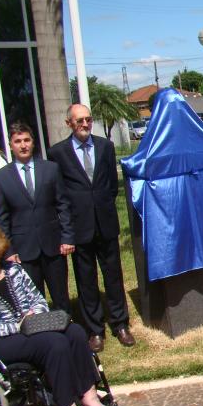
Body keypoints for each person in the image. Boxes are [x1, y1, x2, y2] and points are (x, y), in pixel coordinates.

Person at [0, 223, 113, 406]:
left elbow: (37, 300)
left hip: (31, 328)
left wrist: (34, 316)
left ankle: (89, 395)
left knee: (75, 332)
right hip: (0, 343)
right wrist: (15, 326)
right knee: (55, 343)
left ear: (0, 248)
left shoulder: (14, 270)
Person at [47, 104, 135, 352]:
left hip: (105, 223)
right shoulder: (57, 153)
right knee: (86, 280)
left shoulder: (105, 146)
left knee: (113, 276)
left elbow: (111, 185)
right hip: (79, 226)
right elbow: (59, 193)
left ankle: (120, 324)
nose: (85, 124)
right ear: (69, 123)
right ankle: (95, 330)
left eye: (88, 119)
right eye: (79, 120)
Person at [0, 122, 74, 313]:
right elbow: (2, 218)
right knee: (33, 300)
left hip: (53, 245)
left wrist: (67, 237)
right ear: (11, 145)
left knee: (61, 296)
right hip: (24, 250)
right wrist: (8, 250)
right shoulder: (1, 177)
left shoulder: (50, 169)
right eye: (18, 141)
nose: (23, 145)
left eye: (26, 140)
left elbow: (63, 204)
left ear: (33, 142)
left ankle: (65, 326)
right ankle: (40, 330)